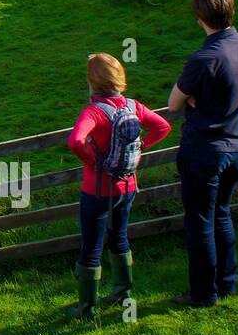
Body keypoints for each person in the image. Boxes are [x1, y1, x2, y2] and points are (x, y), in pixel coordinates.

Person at [167, 0, 238, 308]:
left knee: (200, 221)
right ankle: (227, 281)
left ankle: (203, 293)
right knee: (221, 213)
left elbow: (174, 103)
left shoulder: (204, 58)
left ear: (199, 17)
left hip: (206, 149)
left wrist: (195, 97)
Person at [66, 53, 172, 319]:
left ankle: (86, 309)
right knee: (120, 237)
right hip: (127, 186)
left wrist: (92, 161)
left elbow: (75, 141)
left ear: (93, 81)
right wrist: (140, 150)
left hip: (98, 188)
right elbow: (163, 127)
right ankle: (123, 293)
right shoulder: (133, 106)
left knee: (91, 246)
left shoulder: (94, 111)